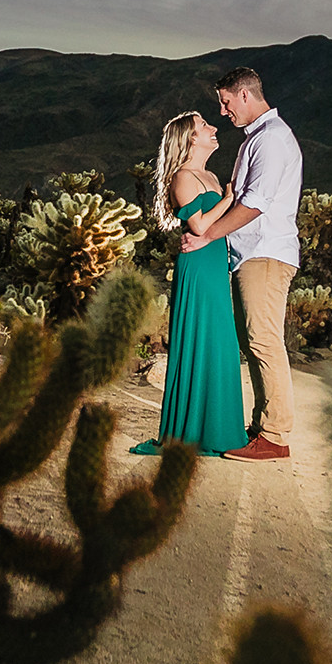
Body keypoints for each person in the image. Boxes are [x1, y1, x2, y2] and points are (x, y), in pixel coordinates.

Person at [181, 66, 302, 461]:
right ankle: (263, 426)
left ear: (245, 96)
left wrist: (207, 236)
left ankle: (275, 435)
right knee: (255, 340)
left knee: (264, 339)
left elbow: (254, 204)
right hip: (251, 254)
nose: (222, 111)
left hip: (264, 253)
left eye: (226, 101)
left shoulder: (270, 140)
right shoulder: (260, 139)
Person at [130, 112, 244, 457]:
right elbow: (197, 226)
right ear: (190, 139)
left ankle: (219, 429)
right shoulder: (183, 177)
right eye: (204, 126)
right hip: (198, 267)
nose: (213, 128)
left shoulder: (208, 174)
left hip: (214, 264)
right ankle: (194, 431)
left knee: (221, 342)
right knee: (202, 339)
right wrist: (227, 200)